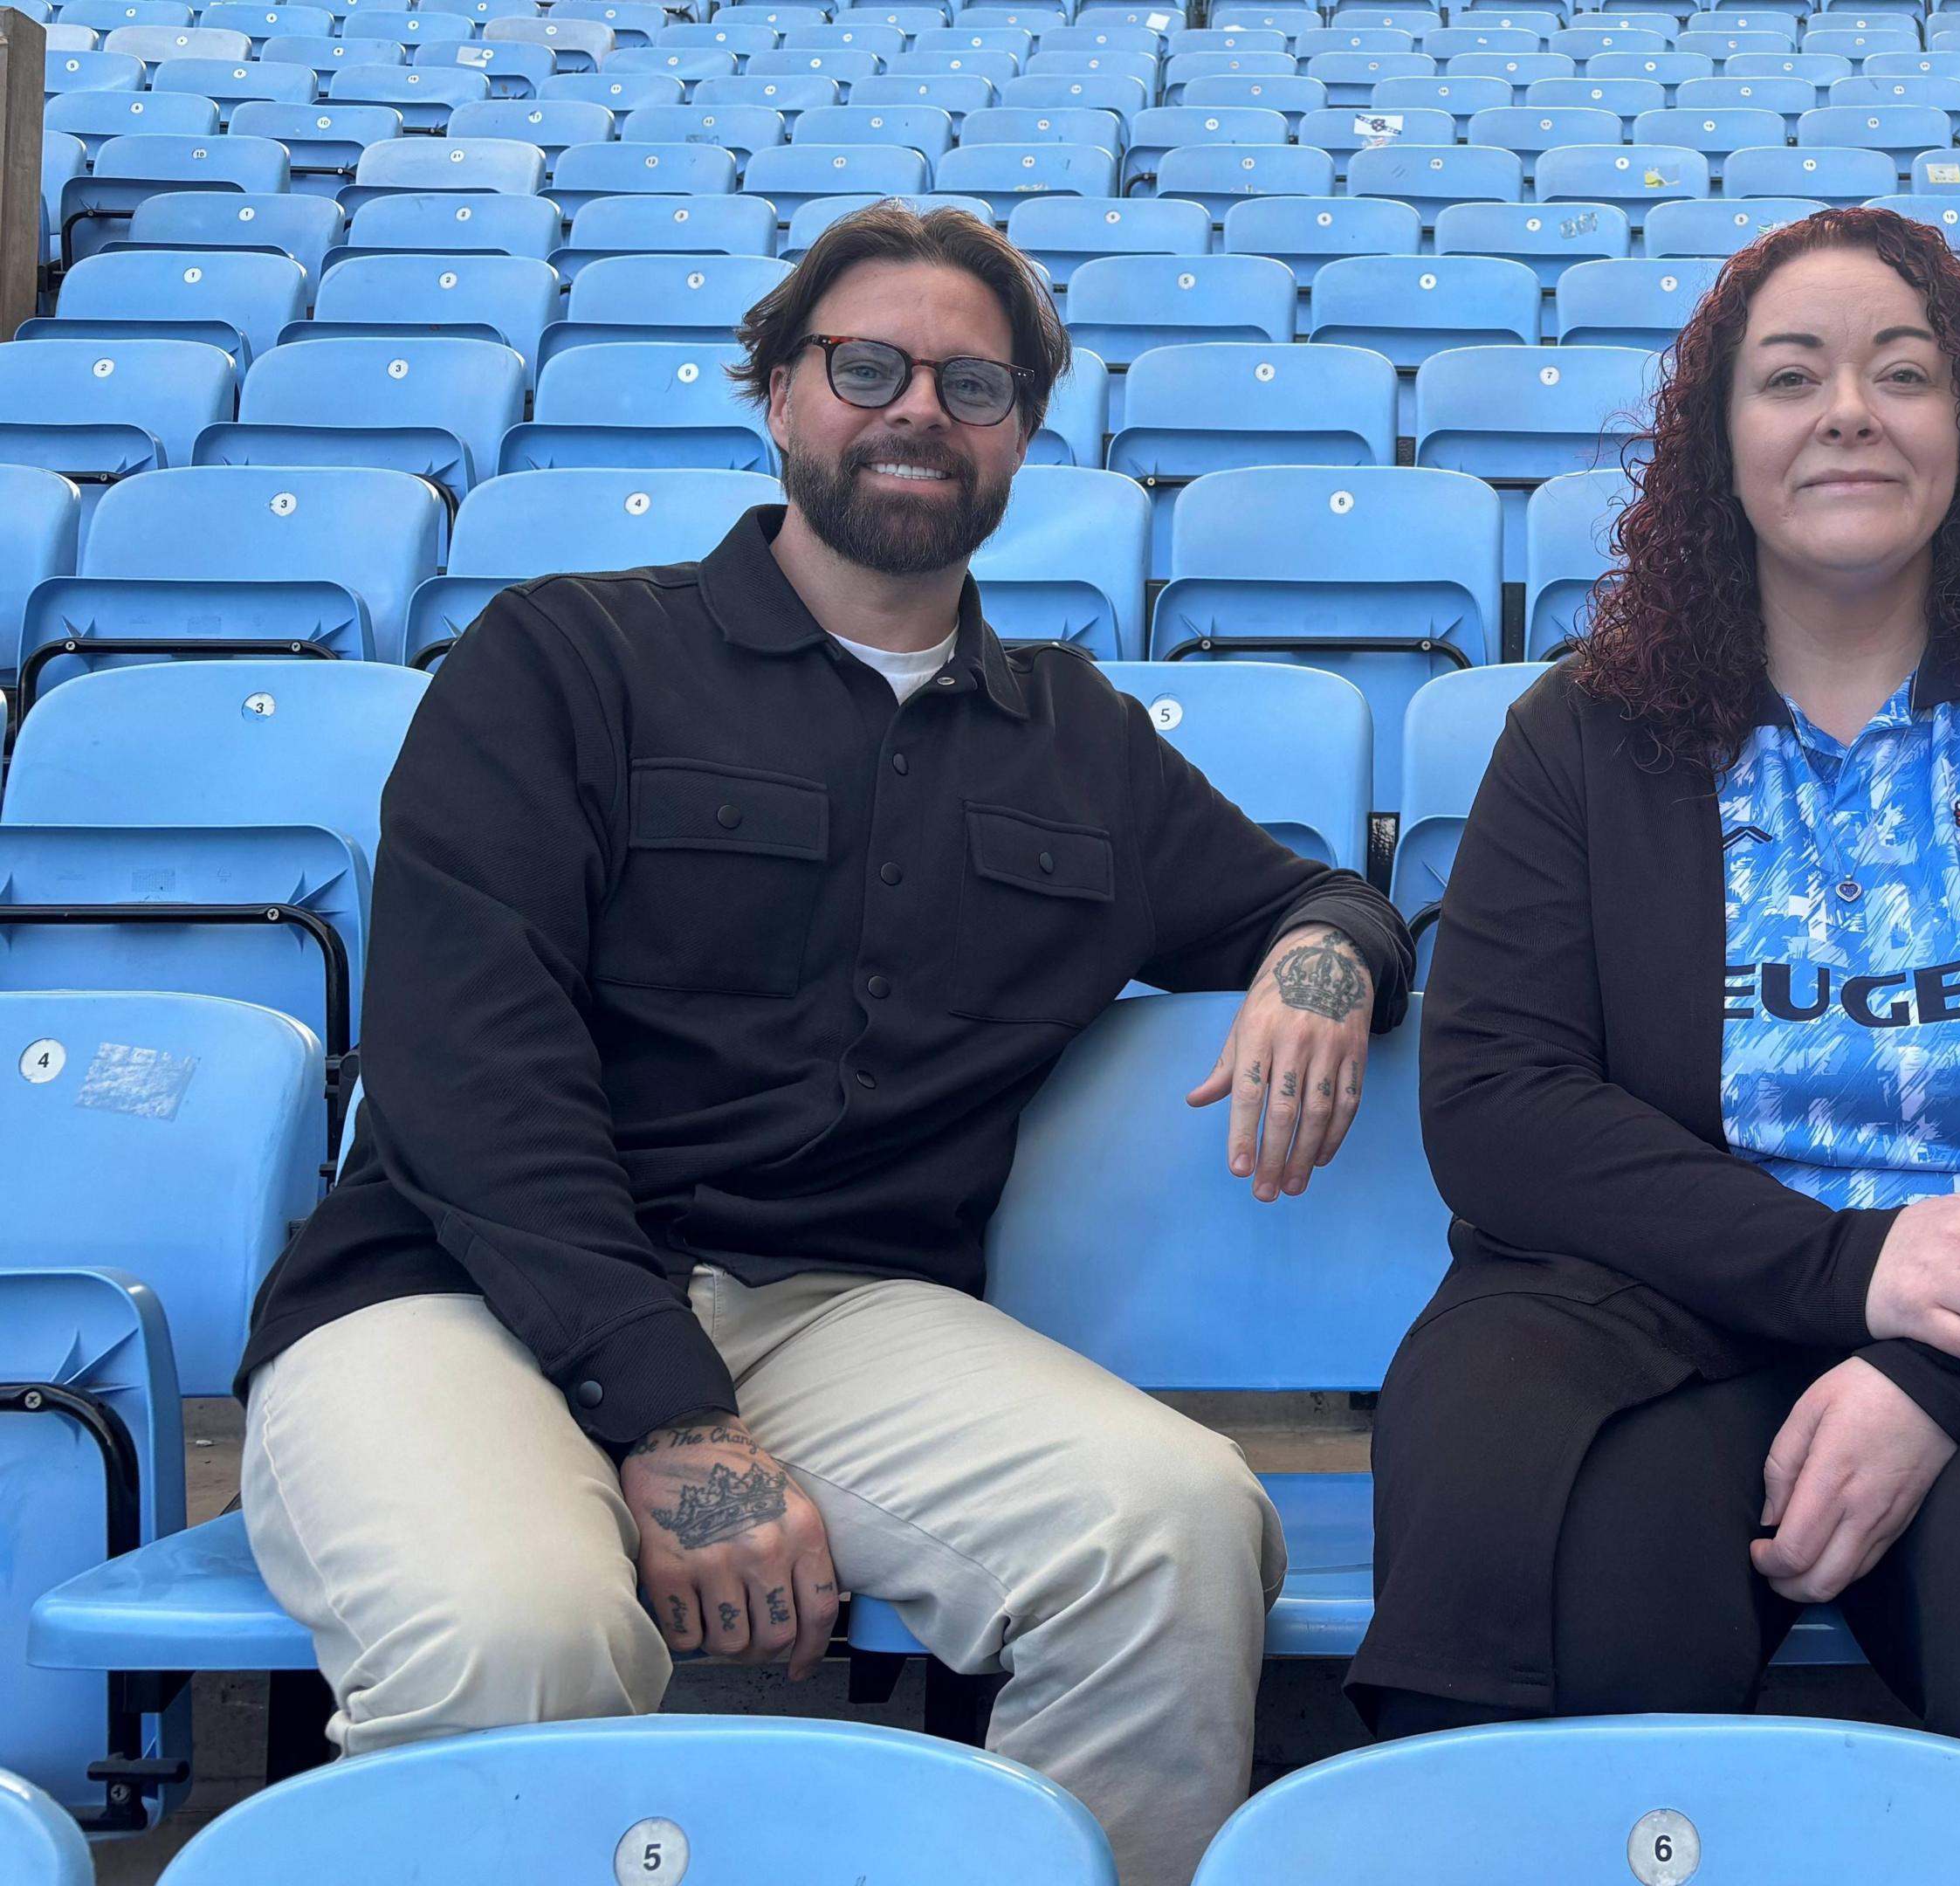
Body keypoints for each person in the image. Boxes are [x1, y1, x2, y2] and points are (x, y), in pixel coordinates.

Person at [232, 203, 1413, 1886]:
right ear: (780, 396)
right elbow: (469, 1070)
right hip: (455, 1290)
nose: (920, 407)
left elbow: (1313, 894)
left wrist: (1322, 956)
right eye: (868, 367)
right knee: (516, 1631)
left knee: (1176, 1529)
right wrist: (669, 1412)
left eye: (976, 385)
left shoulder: (1076, 739)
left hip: (836, 1317)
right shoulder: (566, 658)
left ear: (1021, 437)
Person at [1350, 206, 1960, 1886]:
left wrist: (1936, 1362)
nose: (1849, 411)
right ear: (1717, 440)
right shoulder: (1577, 734)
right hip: (1650, 1302)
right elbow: (1504, 1106)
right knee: (1572, 1591)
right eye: (1791, 376)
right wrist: (1850, 1275)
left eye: (1905, 372)